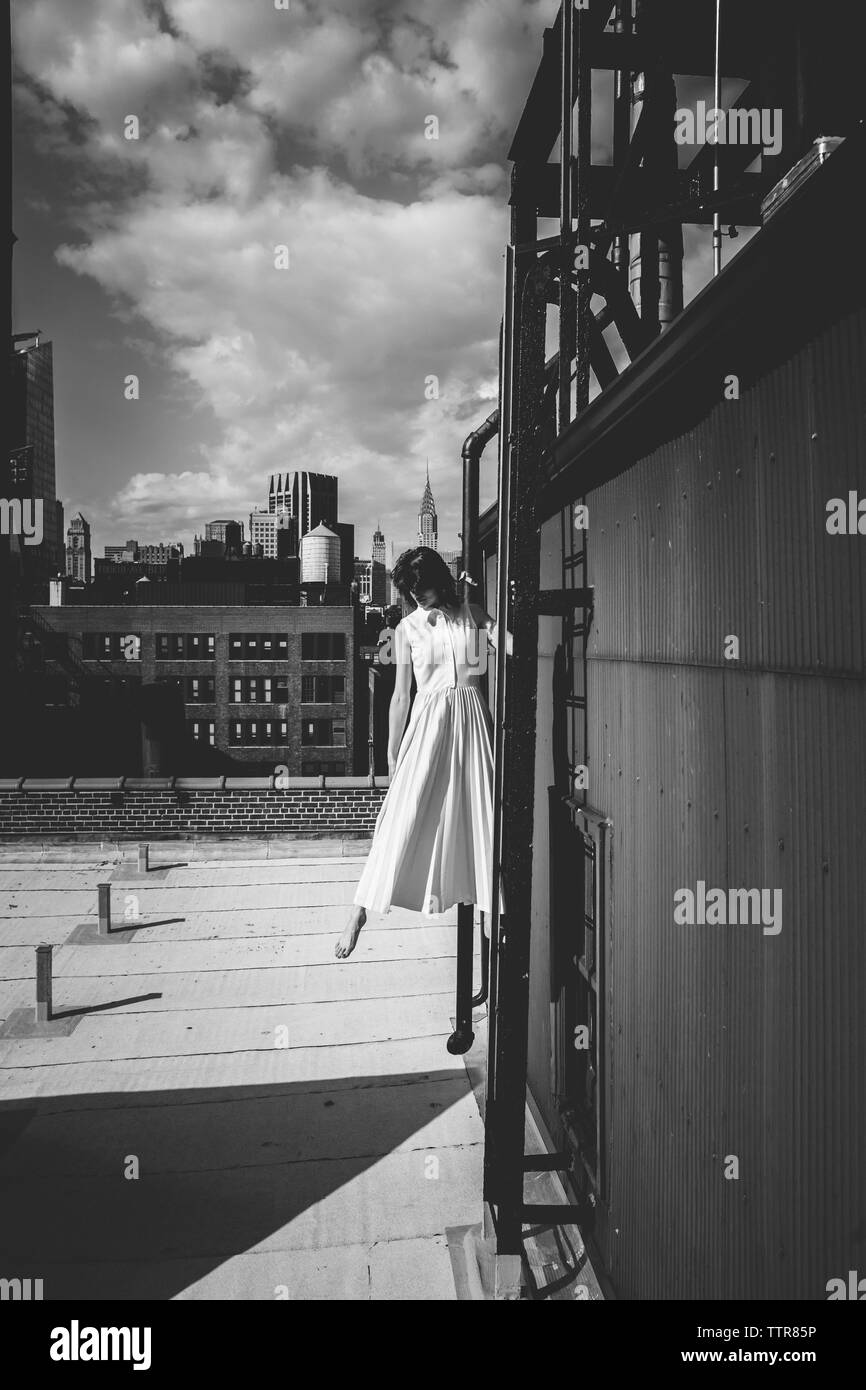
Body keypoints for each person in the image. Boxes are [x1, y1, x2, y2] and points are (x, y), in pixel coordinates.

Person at [335, 545, 511, 959]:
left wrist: (490, 616)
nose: (417, 598)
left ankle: (489, 908)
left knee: (481, 815)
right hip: (429, 723)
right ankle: (358, 912)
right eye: (410, 592)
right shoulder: (407, 628)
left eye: (422, 589)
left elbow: (507, 643)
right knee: (400, 815)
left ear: (438, 581)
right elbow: (400, 697)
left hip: (471, 722)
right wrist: (394, 755)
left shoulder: (472, 614)